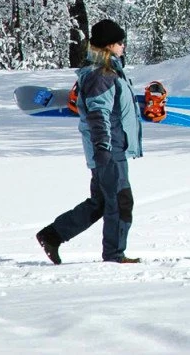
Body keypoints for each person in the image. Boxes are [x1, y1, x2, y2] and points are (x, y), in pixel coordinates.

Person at [36, 18, 143, 264]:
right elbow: (98, 114)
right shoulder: (102, 75)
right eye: (119, 42)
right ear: (107, 46)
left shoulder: (110, 72)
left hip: (111, 146)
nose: (123, 46)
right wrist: (103, 147)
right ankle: (115, 255)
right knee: (119, 201)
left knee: (101, 201)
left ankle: (52, 235)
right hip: (108, 148)